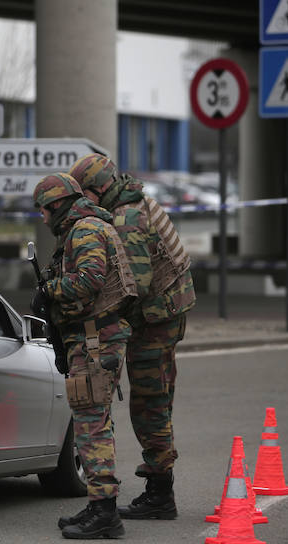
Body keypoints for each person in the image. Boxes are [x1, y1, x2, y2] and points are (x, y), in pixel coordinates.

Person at [69, 153, 195, 520]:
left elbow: (132, 287)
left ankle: (160, 493)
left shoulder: (126, 218)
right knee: (152, 399)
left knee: (150, 401)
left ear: (98, 189)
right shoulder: (130, 202)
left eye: (85, 195)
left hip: (155, 319)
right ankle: (158, 489)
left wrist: (92, 316)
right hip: (159, 313)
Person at [32, 172, 144, 540]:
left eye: (44, 211)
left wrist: (49, 290)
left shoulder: (85, 230)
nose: (43, 220)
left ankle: (105, 512)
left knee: (91, 422)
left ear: (56, 205)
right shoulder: (85, 228)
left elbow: (90, 280)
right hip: (94, 337)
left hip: (97, 339)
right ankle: (100, 503)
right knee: (93, 420)